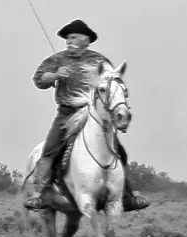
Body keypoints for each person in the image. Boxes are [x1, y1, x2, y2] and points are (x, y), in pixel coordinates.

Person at [22, 19, 148, 212]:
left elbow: (112, 85)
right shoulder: (57, 60)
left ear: (85, 39)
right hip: (67, 114)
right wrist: (55, 76)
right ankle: (40, 194)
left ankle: (129, 194)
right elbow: (38, 80)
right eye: (67, 38)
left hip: (93, 114)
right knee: (50, 149)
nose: (68, 41)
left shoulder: (101, 62)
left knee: (117, 151)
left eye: (73, 37)